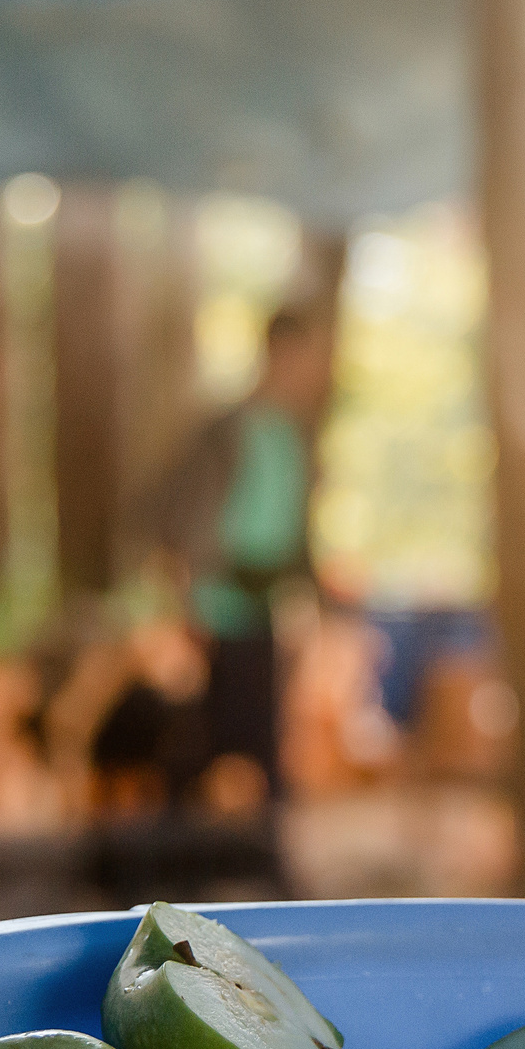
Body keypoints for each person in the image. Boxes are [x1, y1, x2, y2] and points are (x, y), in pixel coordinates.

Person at [136, 300, 335, 807]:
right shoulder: (224, 430)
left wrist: (311, 598)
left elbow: (295, 532)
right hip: (217, 604)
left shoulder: (297, 435)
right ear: (277, 352)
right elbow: (172, 513)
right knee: (208, 732)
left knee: (262, 734)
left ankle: (260, 853)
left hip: (265, 606)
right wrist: (183, 595)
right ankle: (182, 850)